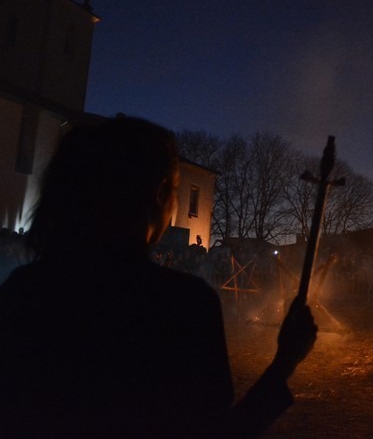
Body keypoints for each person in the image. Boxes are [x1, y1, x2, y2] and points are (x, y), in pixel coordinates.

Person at [0, 117, 317, 437]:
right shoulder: (181, 305)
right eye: (176, 189)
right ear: (159, 192)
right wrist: (283, 363)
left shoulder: (25, 291)